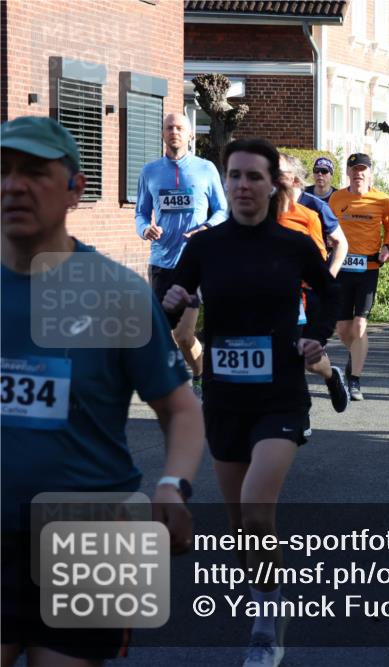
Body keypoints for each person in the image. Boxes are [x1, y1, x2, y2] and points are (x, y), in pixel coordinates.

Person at [2, 115, 204, 666]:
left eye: (35, 173)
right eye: (4, 170)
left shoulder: (117, 293)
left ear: (75, 189)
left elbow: (181, 409)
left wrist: (172, 485)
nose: (13, 184)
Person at [162, 138, 338, 667]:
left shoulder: (293, 244)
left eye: (253, 177)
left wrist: (318, 337)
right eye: (234, 176)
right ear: (226, 183)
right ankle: (266, 596)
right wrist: (171, 302)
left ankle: (267, 626)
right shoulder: (204, 247)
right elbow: (170, 301)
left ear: (271, 186)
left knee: (259, 505)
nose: (243, 185)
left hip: (281, 395)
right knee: (243, 525)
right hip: (224, 398)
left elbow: (327, 293)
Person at [136, 112, 228, 396]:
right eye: (169, 127)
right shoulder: (150, 171)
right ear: (162, 134)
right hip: (162, 262)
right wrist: (144, 230)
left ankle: (191, 378)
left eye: (180, 128)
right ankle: (192, 376)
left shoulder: (206, 169)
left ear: (190, 135)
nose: (174, 131)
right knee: (164, 335)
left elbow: (223, 210)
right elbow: (141, 212)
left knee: (183, 334)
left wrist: (207, 228)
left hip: (198, 264)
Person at [276, 153, 350, 413]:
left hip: (309, 294)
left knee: (308, 358)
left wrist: (326, 278)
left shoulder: (313, 209)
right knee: (284, 354)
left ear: (294, 180)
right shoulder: (263, 208)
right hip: (278, 296)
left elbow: (339, 244)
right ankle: (298, 413)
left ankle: (332, 376)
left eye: (278, 173)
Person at [327, 153, 389, 400]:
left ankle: (354, 380)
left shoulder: (382, 199)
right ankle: (355, 355)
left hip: (368, 268)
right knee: (343, 328)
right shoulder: (337, 198)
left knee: (359, 324)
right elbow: (327, 225)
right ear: (348, 173)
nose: (359, 174)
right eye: (354, 170)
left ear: (370, 173)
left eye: (363, 170)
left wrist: (387, 246)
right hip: (342, 268)